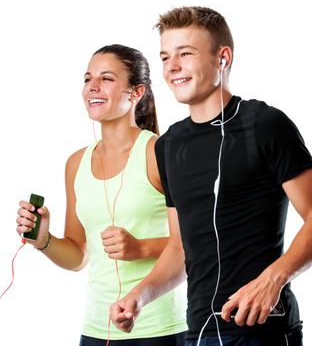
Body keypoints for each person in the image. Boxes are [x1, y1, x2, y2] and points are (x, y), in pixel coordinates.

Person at [109, 6, 312, 346]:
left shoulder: (265, 125)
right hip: (199, 331)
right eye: (165, 57)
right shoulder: (168, 145)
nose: (172, 67)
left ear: (222, 58)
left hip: (263, 330)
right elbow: (180, 246)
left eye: (185, 54)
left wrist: (273, 279)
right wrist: (140, 296)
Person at [15, 44, 187, 346]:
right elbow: (80, 255)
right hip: (96, 330)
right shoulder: (75, 164)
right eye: (87, 78)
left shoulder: (160, 153)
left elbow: (194, 244)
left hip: (159, 329)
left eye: (106, 79)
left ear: (136, 93)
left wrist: (141, 247)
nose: (92, 87)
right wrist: (43, 240)